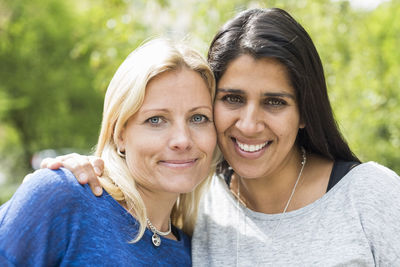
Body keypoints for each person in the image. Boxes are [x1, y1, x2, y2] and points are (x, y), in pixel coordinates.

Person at [37, 8, 400, 266]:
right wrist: (77, 171)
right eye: (232, 99)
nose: (249, 123)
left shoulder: (370, 195)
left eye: (275, 102)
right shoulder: (194, 199)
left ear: (305, 111)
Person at [0, 38, 218, 266]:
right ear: (120, 134)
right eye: (156, 120)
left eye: (198, 118)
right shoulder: (64, 197)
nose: (182, 140)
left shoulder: (195, 254)